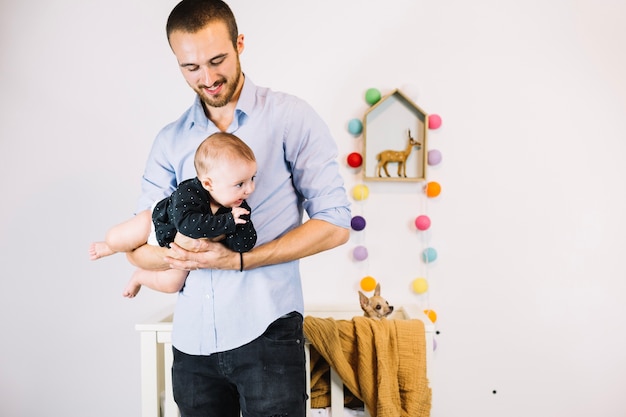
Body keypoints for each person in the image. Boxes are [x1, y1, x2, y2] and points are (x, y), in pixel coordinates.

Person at [126, 0, 351, 416]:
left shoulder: (290, 118)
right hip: (191, 343)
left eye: (217, 60)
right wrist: (171, 253)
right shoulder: (169, 141)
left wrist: (239, 260)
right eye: (191, 67)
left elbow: (335, 224)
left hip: (267, 330)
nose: (208, 78)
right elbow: (139, 243)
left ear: (240, 44)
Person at [89, 132, 257, 298]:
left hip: (171, 247)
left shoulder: (236, 207)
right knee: (117, 239)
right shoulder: (189, 192)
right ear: (208, 184)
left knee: (172, 284)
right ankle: (110, 247)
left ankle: (139, 277)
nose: (250, 189)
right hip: (155, 224)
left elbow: (243, 245)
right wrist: (227, 222)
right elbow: (187, 226)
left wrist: (241, 225)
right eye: (240, 184)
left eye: (252, 179)